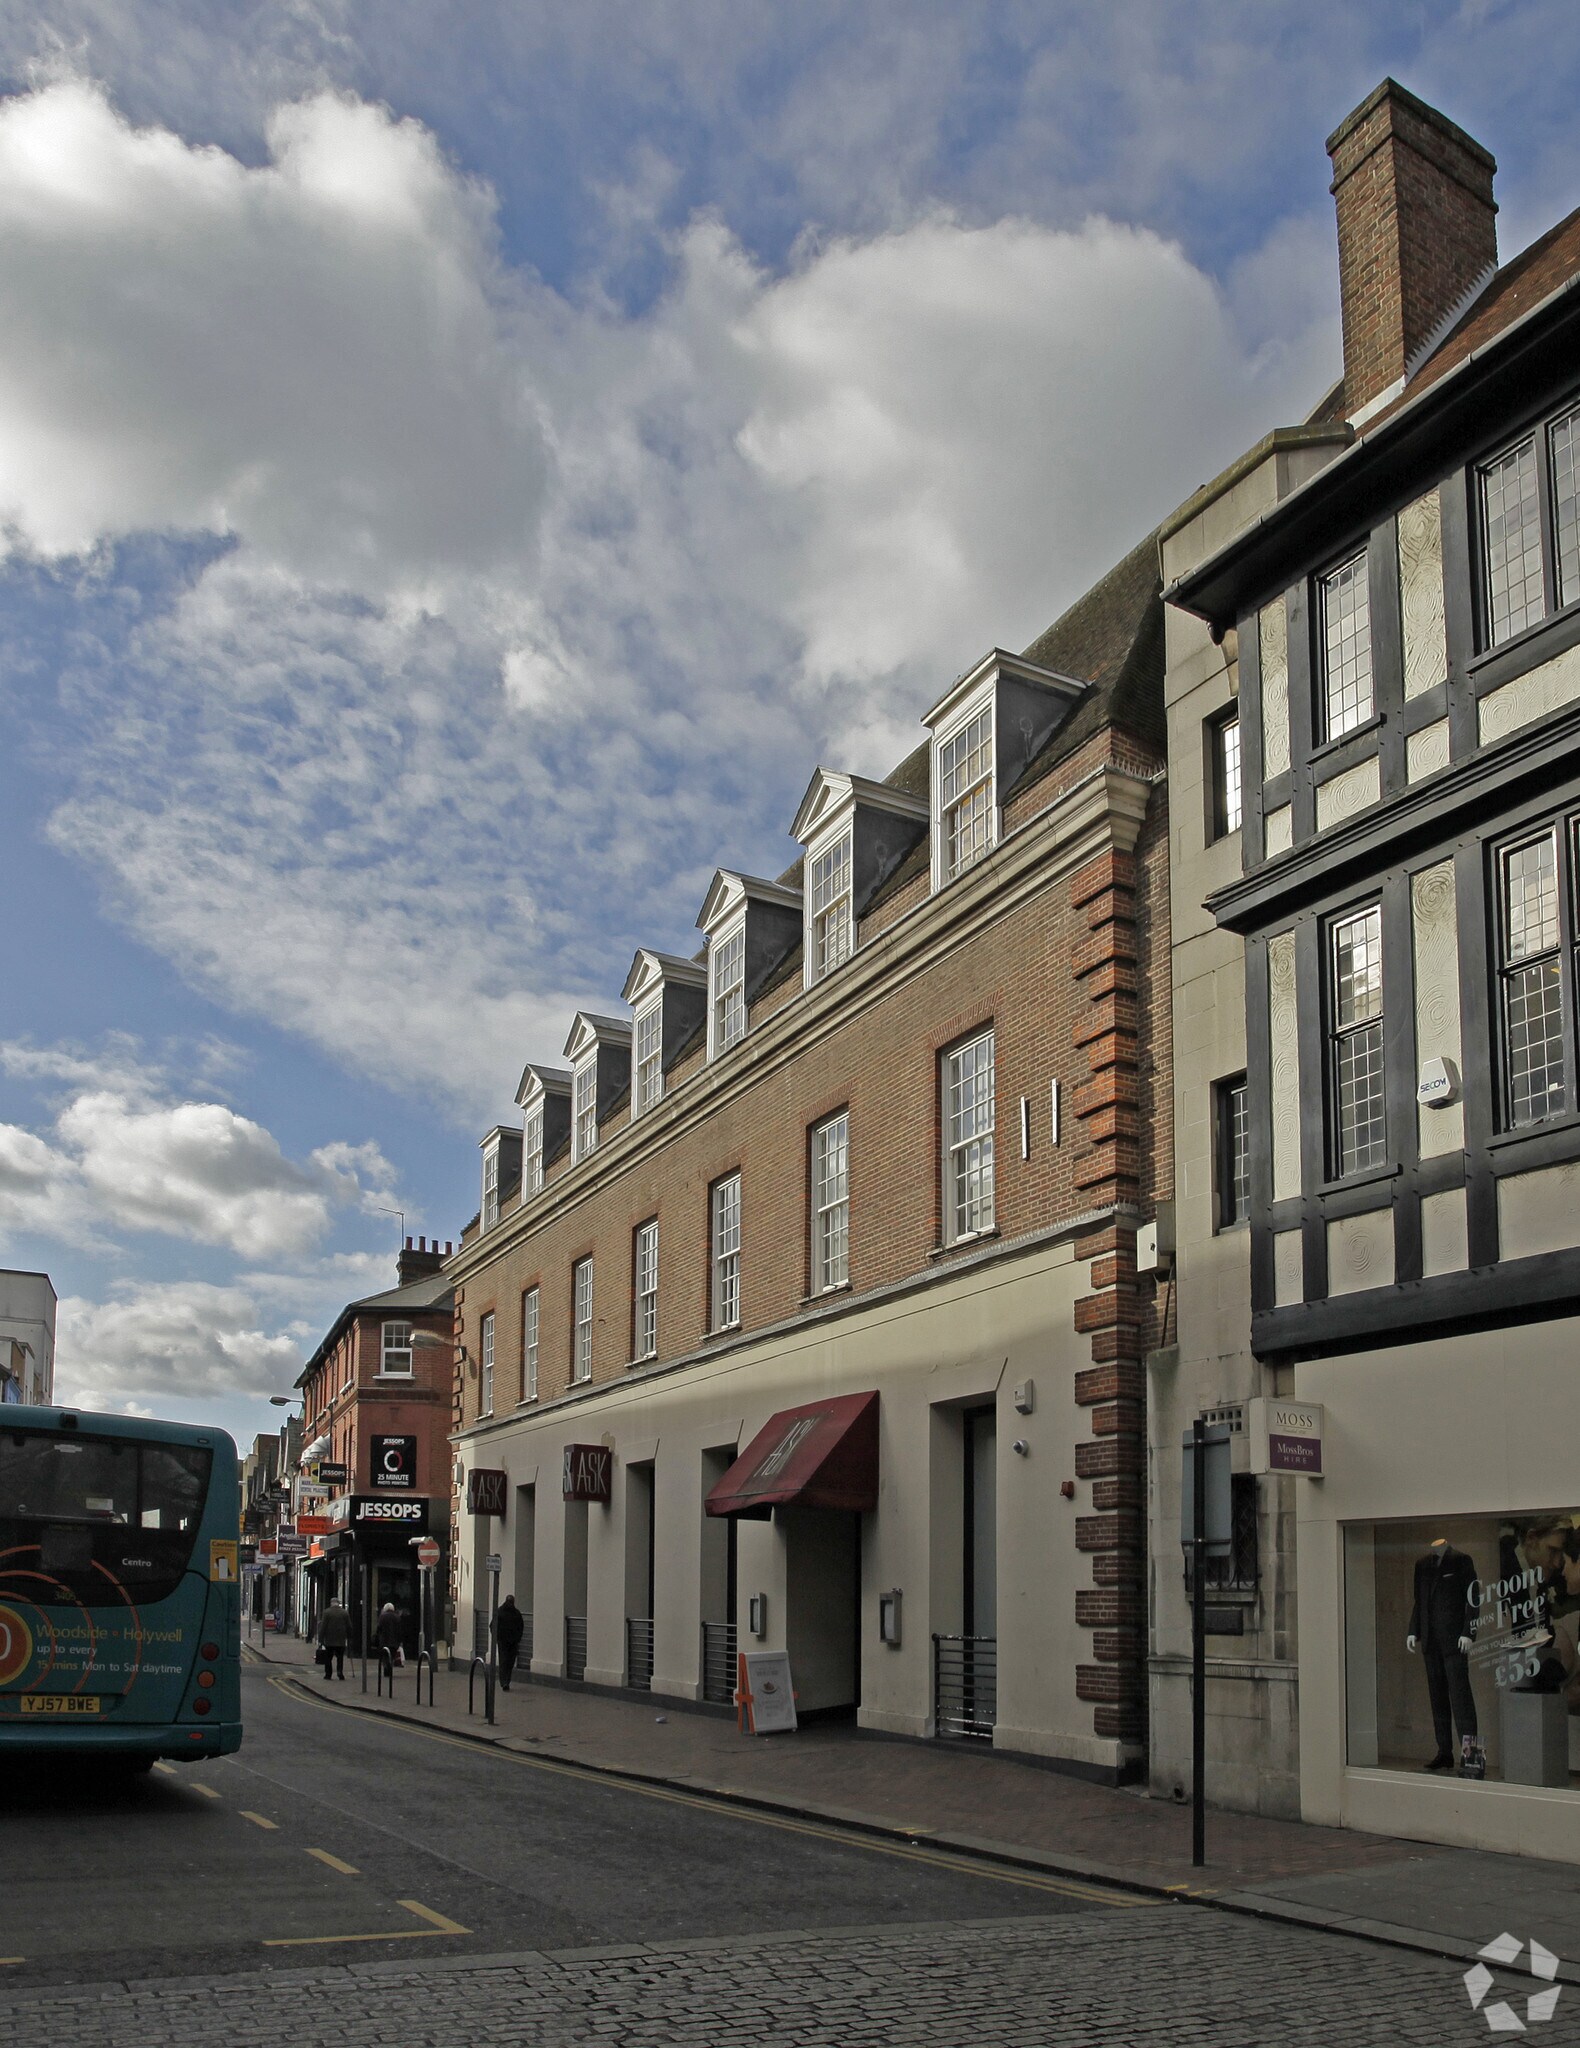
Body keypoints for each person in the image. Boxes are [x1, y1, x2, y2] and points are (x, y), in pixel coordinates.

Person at [494, 1593, 525, 1690]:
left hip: (505, 1641)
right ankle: (505, 1681)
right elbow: (521, 1627)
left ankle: (505, 1682)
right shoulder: (515, 1613)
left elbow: (493, 1626)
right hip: (509, 1642)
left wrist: (497, 1637)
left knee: (506, 1662)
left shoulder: (501, 1612)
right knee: (507, 1662)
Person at [318, 1598, 350, 1681]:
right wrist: (349, 1636)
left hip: (329, 1639)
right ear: (338, 1603)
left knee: (328, 1658)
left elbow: (323, 1626)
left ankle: (328, 1674)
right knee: (340, 1658)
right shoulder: (344, 1612)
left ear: (331, 1603)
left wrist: (320, 1638)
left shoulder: (327, 1612)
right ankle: (340, 1672)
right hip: (341, 1639)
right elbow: (349, 1626)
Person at [374, 1600, 403, 1679]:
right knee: (392, 1656)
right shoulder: (397, 1617)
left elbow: (379, 1628)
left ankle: (386, 1669)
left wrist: (377, 1637)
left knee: (385, 1656)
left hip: (384, 1640)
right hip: (395, 1642)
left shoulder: (382, 1616)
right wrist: (400, 1640)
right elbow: (400, 1630)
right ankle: (389, 1668)